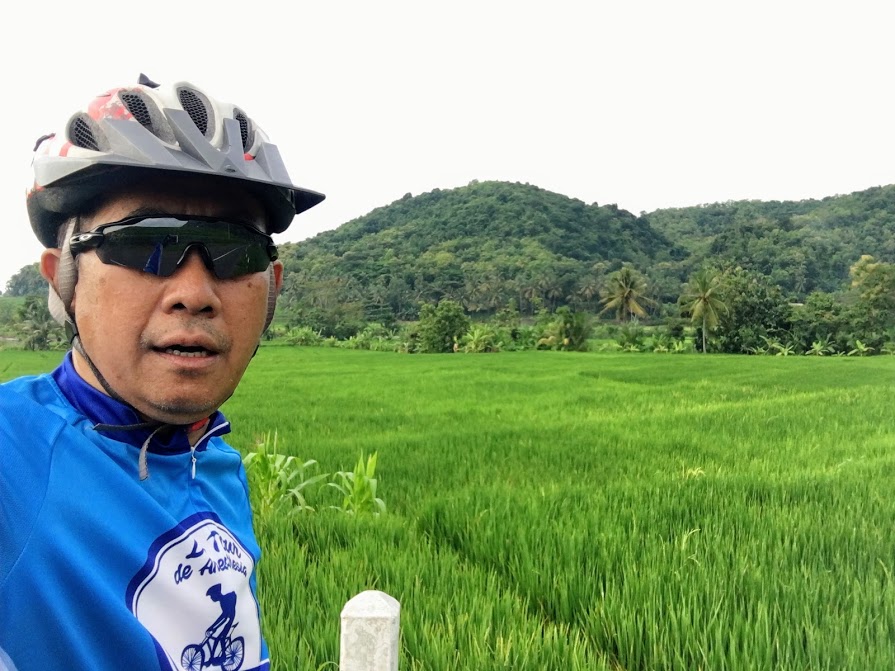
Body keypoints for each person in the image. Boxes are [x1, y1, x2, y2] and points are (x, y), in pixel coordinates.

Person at [0, 74, 324, 670]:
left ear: (272, 288)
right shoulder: (12, 453)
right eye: (144, 244)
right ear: (62, 281)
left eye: (235, 250)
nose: (195, 294)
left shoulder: (214, 460)